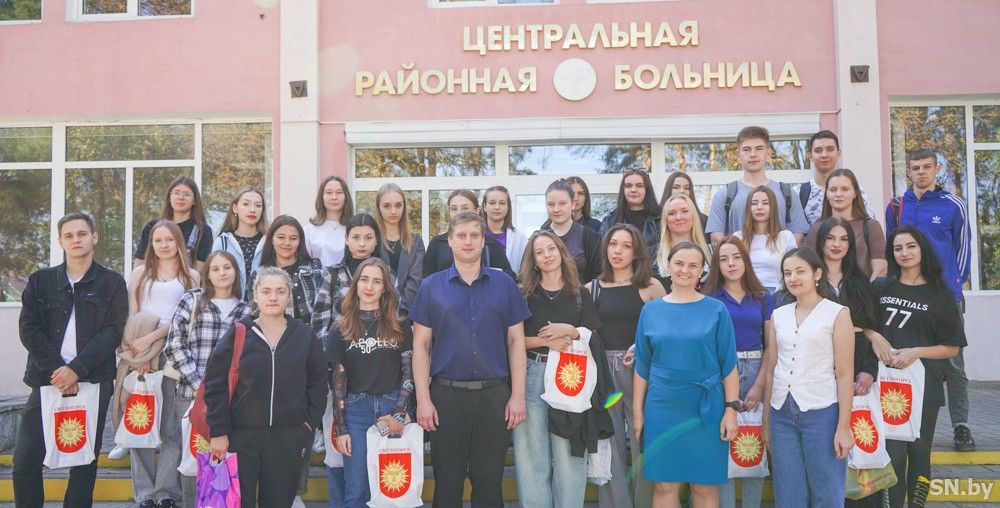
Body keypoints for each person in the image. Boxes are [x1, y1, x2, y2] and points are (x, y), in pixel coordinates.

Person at [409, 212, 530, 507]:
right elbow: (421, 346)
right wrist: (423, 399)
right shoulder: (430, 286)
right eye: (461, 235)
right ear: (449, 241)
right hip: (445, 397)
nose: (468, 241)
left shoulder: (504, 284)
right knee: (447, 485)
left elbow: (516, 342)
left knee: (489, 485)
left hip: (494, 397)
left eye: (474, 235)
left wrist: (518, 395)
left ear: (483, 241)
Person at [13, 212, 128, 507]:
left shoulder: (113, 282)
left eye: (82, 234)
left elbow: (113, 331)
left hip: (93, 381)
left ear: (94, 238)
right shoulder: (40, 281)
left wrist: (75, 370)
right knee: (25, 459)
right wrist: (59, 370)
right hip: (47, 379)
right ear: (60, 241)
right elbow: (29, 328)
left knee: (84, 462)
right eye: (69, 235)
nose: (76, 240)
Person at [205, 267, 327, 507]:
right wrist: (219, 431)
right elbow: (215, 384)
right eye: (266, 291)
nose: (273, 297)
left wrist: (307, 425)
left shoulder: (304, 336)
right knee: (238, 503)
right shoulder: (238, 333)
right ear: (255, 295)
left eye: (280, 291)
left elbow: (318, 385)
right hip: (241, 437)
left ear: (289, 295)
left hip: (287, 438)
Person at [632, 241, 739, 507]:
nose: (685, 270)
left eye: (693, 265)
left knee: (704, 484)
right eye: (679, 263)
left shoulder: (717, 310)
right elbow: (642, 365)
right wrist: (637, 412)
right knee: (664, 483)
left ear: (702, 270)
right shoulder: (650, 310)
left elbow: (729, 365)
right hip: (662, 405)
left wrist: (731, 410)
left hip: (707, 407)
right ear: (668, 265)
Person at [865, 226, 965, 507]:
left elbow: (953, 347)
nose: (904, 253)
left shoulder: (940, 294)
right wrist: (874, 336)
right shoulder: (880, 287)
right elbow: (858, 322)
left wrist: (917, 352)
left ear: (922, 249)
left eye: (911, 246)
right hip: (886, 387)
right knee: (894, 457)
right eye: (898, 248)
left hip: (925, 387)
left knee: (920, 455)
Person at [885, 149, 974, 452]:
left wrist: (952, 288)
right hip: (907, 296)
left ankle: (961, 425)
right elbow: (892, 249)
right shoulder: (897, 206)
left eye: (926, 167)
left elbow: (963, 250)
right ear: (908, 171)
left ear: (937, 169)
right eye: (915, 168)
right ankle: (905, 423)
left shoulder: (953, 205)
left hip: (944, 297)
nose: (921, 172)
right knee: (904, 358)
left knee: (953, 363)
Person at [513, 230, 606, 507]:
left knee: (569, 453)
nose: (547, 256)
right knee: (532, 455)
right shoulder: (524, 295)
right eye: (539, 252)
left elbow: (593, 337)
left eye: (551, 249)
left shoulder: (579, 294)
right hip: (533, 373)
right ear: (533, 260)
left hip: (570, 376)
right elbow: (513, 341)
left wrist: (570, 330)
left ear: (561, 252)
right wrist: (545, 341)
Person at [763, 248, 855, 505]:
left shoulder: (837, 313)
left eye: (800, 271)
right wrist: (766, 421)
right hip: (781, 413)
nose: (793, 278)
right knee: (788, 492)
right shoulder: (778, 315)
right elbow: (771, 369)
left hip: (822, 413)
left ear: (817, 273)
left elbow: (845, 374)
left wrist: (843, 427)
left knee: (827, 491)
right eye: (787, 273)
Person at [247, 214, 325, 505]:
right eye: (281, 237)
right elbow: (250, 312)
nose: (287, 243)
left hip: (300, 350)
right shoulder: (259, 272)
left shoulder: (313, 269)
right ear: (272, 240)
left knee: (298, 425)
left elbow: (320, 311)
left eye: (293, 238)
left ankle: (293, 492)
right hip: (266, 354)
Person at [122, 221, 200, 508]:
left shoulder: (191, 276)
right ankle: (144, 492)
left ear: (179, 242)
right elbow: (132, 315)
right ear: (151, 244)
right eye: (158, 240)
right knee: (139, 421)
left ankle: (166, 492)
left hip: (174, 353)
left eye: (169, 239)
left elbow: (188, 318)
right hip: (141, 353)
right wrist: (141, 355)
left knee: (171, 425)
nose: (163, 245)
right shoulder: (140, 273)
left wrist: (153, 339)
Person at [164, 250, 251, 507]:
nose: (222, 272)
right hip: (191, 394)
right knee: (194, 461)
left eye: (227, 267)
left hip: (233, 400)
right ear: (208, 274)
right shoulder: (192, 301)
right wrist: (200, 385)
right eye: (215, 268)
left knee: (228, 463)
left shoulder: (247, 310)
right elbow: (174, 345)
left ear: (236, 272)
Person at [328, 258, 414, 508]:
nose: (369, 286)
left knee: (393, 490)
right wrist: (341, 429)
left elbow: (408, 374)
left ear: (385, 288)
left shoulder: (400, 325)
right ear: (355, 284)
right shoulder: (340, 329)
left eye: (376, 281)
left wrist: (399, 415)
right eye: (364, 280)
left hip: (391, 407)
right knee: (356, 491)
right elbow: (338, 384)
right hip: (356, 412)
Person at [590, 224, 665, 508]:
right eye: (613, 244)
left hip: (640, 370)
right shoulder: (592, 288)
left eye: (625, 245)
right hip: (605, 372)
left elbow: (665, 331)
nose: (618, 251)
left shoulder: (651, 287)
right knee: (610, 440)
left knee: (642, 435)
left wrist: (642, 350)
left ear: (636, 252)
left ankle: (645, 502)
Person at [702, 236, 775, 508]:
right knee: (725, 442)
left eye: (736, 257)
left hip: (757, 367)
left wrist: (759, 385)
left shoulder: (763, 296)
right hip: (722, 370)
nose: (731, 264)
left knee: (753, 444)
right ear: (717, 265)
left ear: (746, 260)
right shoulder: (710, 297)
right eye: (724, 259)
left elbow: (771, 346)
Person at [706, 126, 809, 249]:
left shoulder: (787, 194)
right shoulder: (724, 195)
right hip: (739, 261)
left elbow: (798, 237)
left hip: (780, 261)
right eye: (747, 149)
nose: (753, 154)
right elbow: (716, 239)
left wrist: (778, 258)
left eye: (759, 149)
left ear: (769, 153)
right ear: (738, 154)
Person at [312, 213, 400, 348]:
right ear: (346, 239)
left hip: (379, 348)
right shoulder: (331, 275)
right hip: (340, 351)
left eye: (368, 238)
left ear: (376, 240)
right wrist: (328, 354)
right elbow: (319, 323)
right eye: (356, 237)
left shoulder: (388, 275)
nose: (362, 243)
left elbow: (394, 315)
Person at [803, 169, 887, 279]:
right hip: (826, 289)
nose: (838, 194)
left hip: (865, 288)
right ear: (827, 194)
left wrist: (868, 289)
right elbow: (809, 268)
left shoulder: (871, 226)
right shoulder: (816, 229)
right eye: (833, 190)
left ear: (855, 193)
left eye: (845, 189)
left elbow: (880, 268)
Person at [423, 189, 516, 278]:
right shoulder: (437, 243)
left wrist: (486, 272)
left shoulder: (491, 244)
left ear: (477, 211)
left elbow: (510, 276)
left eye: (465, 208)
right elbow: (426, 277)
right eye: (454, 209)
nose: (459, 213)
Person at [133, 175, 214, 271]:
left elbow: (199, 272)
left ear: (194, 201)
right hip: (153, 279)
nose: (181, 197)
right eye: (176, 193)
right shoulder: (151, 227)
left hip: (187, 280)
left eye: (187, 194)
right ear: (169, 197)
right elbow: (139, 265)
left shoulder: (203, 231)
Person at [800, 131, 878, 226]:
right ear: (810, 155)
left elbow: (870, 228)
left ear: (838, 153)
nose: (824, 155)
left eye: (830, 149)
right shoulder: (799, 193)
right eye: (818, 150)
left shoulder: (858, 192)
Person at [733, 186, 797, 292]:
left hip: (778, 293)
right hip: (745, 292)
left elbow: (793, 269)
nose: (759, 207)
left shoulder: (786, 237)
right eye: (754, 203)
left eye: (765, 203)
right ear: (748, 208)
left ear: (773, 207)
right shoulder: (738, 238)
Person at [375, 182, 426, 310]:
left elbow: (415, 281)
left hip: (407, 313)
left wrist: (400, 310)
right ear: (378, 207)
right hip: (375, 311)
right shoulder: (372, 239)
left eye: (398, 205)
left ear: (404, 206)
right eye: (387, 206)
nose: (393, 211)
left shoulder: (416, 242)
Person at [540, 180, 602, 282]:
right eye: (551, 204)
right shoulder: (539, 237)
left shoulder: (588, 236)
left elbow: (601, 274)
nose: (556, 209)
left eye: (562, 203)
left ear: (573, 204)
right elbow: (527, 276)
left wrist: (588, 288)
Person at [212, 186, 267, 300]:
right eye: (246, 204)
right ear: (235, 208)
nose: (252, 210)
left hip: (263, 305)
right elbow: (213, 276)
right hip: (230, 305)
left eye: (258, 205)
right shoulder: (223, 241)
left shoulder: (268, 242)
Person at [599, 169, 661, 259]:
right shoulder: (609, 221)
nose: (633, 190)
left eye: (639, 186)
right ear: (623, 190)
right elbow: (604, 254)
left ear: (647, 189)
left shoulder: (660, 219)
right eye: (628, 186)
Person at [655, 194, 711, 291]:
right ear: (665, 219)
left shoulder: (710, 253)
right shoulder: (652, 254)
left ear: (693, 215)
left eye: (684, 211)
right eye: (672, 213)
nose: (679, 217)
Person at [305, 175, 354, 268]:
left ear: (346, 196)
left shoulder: (354, 228)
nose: (334, 197)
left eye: (339, 192)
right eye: (329, 192)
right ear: (322, 197)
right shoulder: (309, 231)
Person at [481, 185, 529, 275]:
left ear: (508, 207)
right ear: (484, 207)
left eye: (502, 203)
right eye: (492, 203)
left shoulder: (520, 239)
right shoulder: (476, 235)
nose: (497, 207)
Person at [660, 171, 710, 242]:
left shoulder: (703, 220)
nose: (682, 191)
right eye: (676, 187)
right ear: (668, 190)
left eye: (687, 188)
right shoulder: (655, 220)